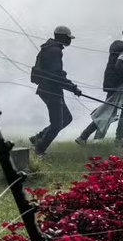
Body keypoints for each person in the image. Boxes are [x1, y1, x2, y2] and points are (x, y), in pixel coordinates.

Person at [76, 28, 123, 146]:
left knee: (109, 110)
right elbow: (119, 66)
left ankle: (84, 137)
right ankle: (118, 139)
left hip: (112, 84)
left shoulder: (121, 48)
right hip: (116, 85)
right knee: (117, 109)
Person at [29, 26, 83, 157]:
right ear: (62, 37)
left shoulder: (50, 48)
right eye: (68, 38)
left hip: (50, 89)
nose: (70, 41)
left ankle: (38, 138)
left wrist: (71, 87)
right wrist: (73, 88)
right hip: (50, 90)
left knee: (67, 118)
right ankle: (40, 149)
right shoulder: (54, 51)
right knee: (57, 123)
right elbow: (57, 74)